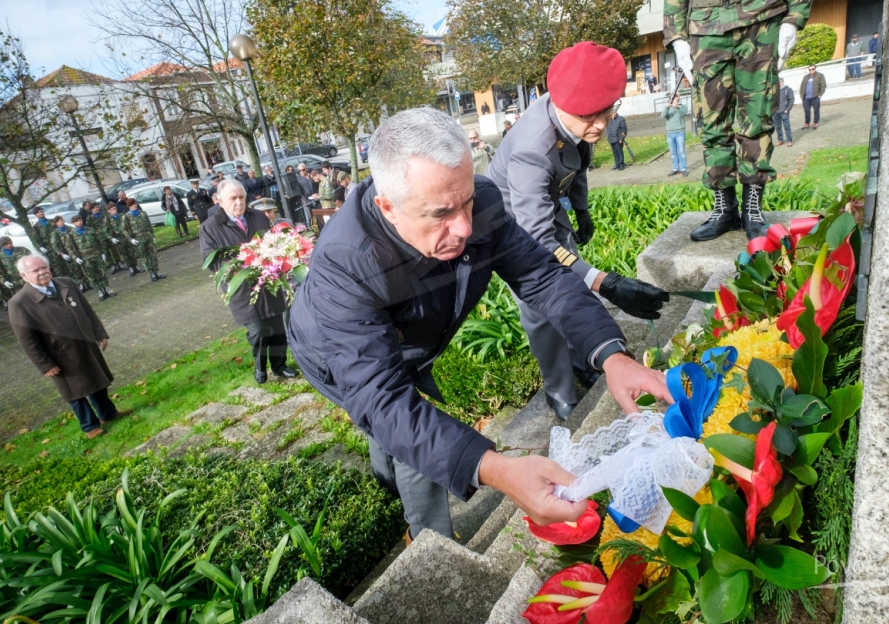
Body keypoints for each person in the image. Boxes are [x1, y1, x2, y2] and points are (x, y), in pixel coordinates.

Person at [288, 108, 674, 542]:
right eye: (441, 213)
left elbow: (542, 277)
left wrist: (611, 355)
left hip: (409, 340)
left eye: (467, 201)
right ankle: (431, 540)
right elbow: (380, 398)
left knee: (400, 436)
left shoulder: (482, 205)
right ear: (387, 207)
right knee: (397, 433)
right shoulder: (346, 264)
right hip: (331, 353)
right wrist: (497, 468)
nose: (465, 227)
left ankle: (394, 469)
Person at [485, 42, 670, 420]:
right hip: (512, 228)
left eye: (607, 110)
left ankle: (583, 356)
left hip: (547, 209)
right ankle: (560, 390)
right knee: (540, 307)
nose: (601, 124)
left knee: (573, 290)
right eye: (589, 115)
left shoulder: (575, 123)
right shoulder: (531, 149)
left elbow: (577, 167)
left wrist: (582, 213)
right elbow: (536, 244)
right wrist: (606, 282)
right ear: (562, 104)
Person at [665, 0, 811, 242]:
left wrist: (794, 16)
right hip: (705, 29)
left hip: (761, 18)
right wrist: (677, 37)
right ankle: (726, 209)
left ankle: (752, 211)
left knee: (757, 119)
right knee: (712, 123)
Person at [8, 254, 127, 439]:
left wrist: (99, 332)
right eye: (36, 270)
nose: (42, 272)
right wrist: (45, 364)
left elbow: (87, 309)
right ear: (24, 276)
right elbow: (27, 339)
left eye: (44, 267)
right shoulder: (19, 303)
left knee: (97, 380)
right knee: (75, 392)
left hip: (85, 343)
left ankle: (108, 414)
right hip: (59, 354)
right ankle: (90, 427)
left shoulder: (66, 283)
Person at [199, 181, 297, 384]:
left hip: (269, 281)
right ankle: (260, 367)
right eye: (232, 198)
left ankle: (280, 365)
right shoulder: (210, 227)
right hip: (242, 289)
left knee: (277, 327)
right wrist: (241, 263)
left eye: (241, 197)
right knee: (259, 330)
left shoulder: (258, 216)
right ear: (220, 201)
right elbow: (211, 260)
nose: (238, 202)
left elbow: (272, 242)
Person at [69, 215, 116, 301]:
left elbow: (100, 242)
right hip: (85, 259)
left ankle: (107, 288)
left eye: (80, 220)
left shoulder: (91, 230)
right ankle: (99, 291)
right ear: (73, 223)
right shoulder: (71, 235)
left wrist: (103, 253)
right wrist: (75, 258)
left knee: (102, 273)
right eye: (77, 221)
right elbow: (70, 248)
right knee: (92, 276)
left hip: (96, 255)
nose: (79, 222)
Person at [121, 198, 166, 282]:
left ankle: (156, 271)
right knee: (144, 257)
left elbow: (149, 224)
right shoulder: (126, 216)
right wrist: (130, 239)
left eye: (135, 203)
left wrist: (153, 236)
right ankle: (151, 273)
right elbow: (124, 229)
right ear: (129, 206)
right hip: (138, 239)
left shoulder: (143, 213)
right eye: (132, 204)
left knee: (152, 254)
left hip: (148, 237)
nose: (135, 205)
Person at [49, 216, 87, 291]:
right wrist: (62, 254)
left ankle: (87, 282)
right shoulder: (55, 233)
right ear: (56, 223)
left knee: (82, 267)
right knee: (74, 269)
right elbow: (55, 246)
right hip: (66, 253)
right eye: (59, 221)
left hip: (75, 251)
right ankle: (81, 283)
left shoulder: (71, 229)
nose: (62, 222)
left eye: (62, 220)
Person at [663, 99, 689, 176]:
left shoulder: (683, 106)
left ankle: (683, 169)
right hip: (670, 133)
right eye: (673, 99)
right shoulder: (668, 107)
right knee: (673, 153)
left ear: (678, 99)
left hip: (680, 132)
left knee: (681, 151)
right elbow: (663, 115)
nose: (674, 101)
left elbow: (682, 114)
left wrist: (677, 107)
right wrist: (667, 107)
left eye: (676, 99)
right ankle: (675, 169)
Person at [800, 64, 826, 130]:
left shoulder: (820, 75)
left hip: (815, 97)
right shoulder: (805, 77)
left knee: (816, 110)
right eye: (809, 69)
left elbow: (823, 85)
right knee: (806, 111)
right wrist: (801, 95)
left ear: (815, 69)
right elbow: (802, 86)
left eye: (812, 69)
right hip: (806, 98)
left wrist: (820, 94)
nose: (811, 71)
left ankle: (815, 122)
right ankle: (807, 123)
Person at [773, 77, 794, 147]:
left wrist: (787, 109)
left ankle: (789, 140)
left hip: (784, 111)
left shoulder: (788, 90)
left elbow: (791, 100)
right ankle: (780, 140)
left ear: (782, 82)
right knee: (778, 127)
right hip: (776, 112)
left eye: (778, 83)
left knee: (787, 126)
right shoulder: (774, 90)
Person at [607, 106, 628, 170]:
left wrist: (621, 138)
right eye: (612, 112)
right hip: (611, 139)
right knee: (615, 153)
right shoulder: (608, 120)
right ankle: (617, 164)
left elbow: (624, 129)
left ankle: (621, 164)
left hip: (618, 139)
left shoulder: (621, 119)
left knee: (619, 152)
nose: (614, 113)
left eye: (614, 112)